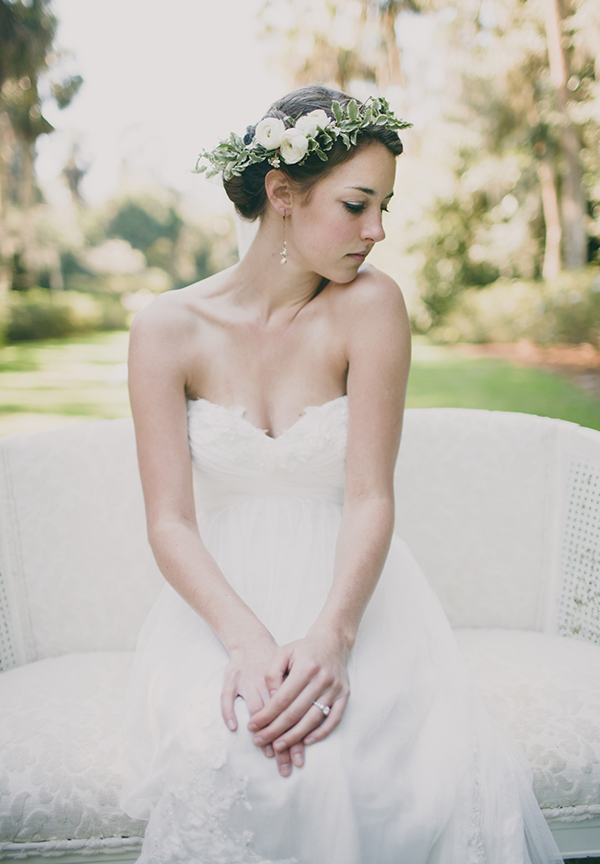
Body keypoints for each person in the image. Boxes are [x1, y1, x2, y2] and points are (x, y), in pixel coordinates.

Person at [120, 85, 564, 864]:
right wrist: (248, 643)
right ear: (282, 193)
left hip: (353, 590)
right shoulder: (166, 330)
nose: (379, 230)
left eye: (384, 206)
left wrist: (332, 637)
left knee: (363, 763)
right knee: (242, 753)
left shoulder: (372, 307)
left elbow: (370, 495)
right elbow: (170, 522)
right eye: (358, 204)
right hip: (220, 599)